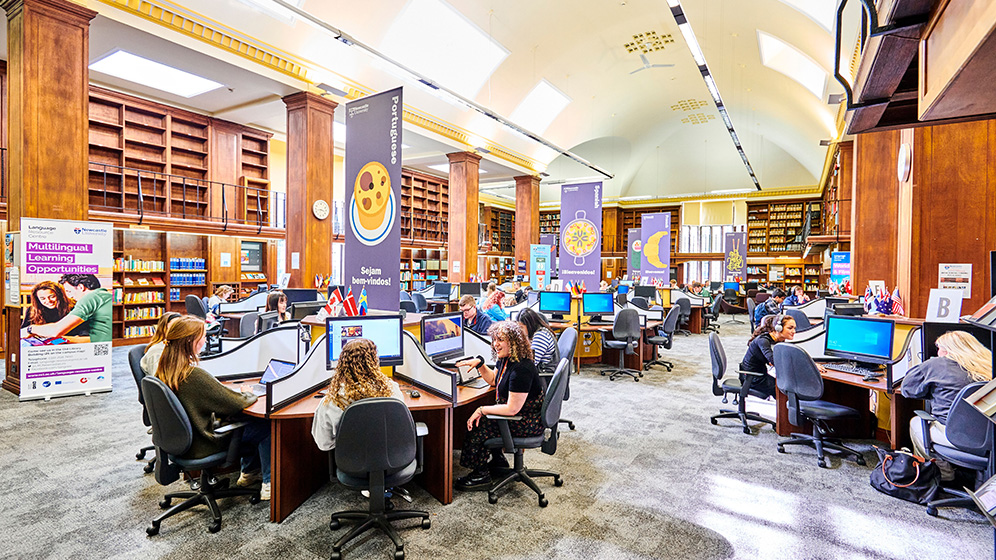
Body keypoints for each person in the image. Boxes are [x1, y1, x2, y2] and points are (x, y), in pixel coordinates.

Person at [154, 316, 271, 500]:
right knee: (264, 425)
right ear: (191, 341)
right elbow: (235, 402)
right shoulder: (193, 375)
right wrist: (248, 393)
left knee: (241, 419)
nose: (206, 341)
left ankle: (249, 473)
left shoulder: (164, 370)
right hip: (203, 443)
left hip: (182, 441)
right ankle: (268, 484)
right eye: (203, 337)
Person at [454, 321, 545, 490]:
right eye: (494, 339)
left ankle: (481, 475)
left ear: (514, 342)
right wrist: (480, 365)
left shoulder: (522, 368)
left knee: (478, 425)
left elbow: (512, 409)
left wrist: (481, 410)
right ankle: (498, 461)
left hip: (526, 422)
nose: (495, 344)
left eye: (500, 340)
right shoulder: (506, 359)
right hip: (520, 415)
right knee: (484, 415)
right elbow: (494, 380)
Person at [901, 331, 992, 481]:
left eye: (939, 349)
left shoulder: (938, 364)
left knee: (916, 422)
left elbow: (907, 389)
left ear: (946, 351)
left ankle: (944, 473)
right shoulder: (989, 365)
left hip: (956, 436)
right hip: (990, 437)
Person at [311, 338, 405, 451]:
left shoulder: (332, 402)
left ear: (342, 366)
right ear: (375, 362)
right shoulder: (392, 390)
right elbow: (400, 426)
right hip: (392, 457)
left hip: (350, 460)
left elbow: (324, 444)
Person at [28, 274, 113, 343]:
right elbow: (99, 338)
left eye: (69, 291)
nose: (69, 296)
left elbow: (55, 331)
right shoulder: (107, 295)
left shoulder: (89, 298)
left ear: (80, 287)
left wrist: (29, 329)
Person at [740, 313, 797, 399]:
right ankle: (786, 407)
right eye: (790, 328)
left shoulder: (777, 340)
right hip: (752, 378)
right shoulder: (763, 341)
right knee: (784, 388)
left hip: (760, 373)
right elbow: (774, 360)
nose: (794, 331)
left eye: (794, 328)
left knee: (787, 384)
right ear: (778, 328)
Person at [20, 281, 88, 341]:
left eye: (52, 296)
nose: (48, 301)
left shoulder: (74, 307)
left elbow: (84, 335)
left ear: (59, 295)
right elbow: (23, 332)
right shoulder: (32, 310)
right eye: (42, 298)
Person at [517, 308, 560, 375]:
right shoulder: (534, 334)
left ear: (529, 325)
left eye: (521, 327)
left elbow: (530, 363)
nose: (520, 331)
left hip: (543, 376)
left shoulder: (541, 336)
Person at [140, 312, 182, 376]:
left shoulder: (177, 346)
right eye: (174, 326)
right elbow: (158, 377)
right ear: (164, 328)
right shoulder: (157, 351)